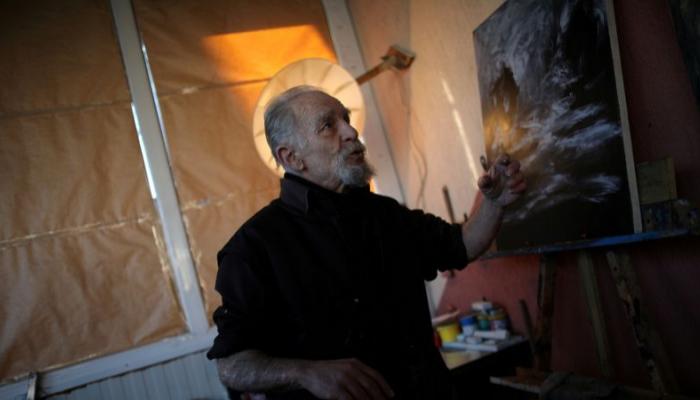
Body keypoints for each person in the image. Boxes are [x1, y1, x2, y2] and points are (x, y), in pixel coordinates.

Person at [207, 85, 526, 399]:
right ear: (291, 157)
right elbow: (231, 365)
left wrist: (495, 203)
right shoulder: (253, 248)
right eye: (328, 125)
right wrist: (305, 372)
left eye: (345, 119)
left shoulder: (385, 213)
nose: (351, 131)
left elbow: (463, 244)